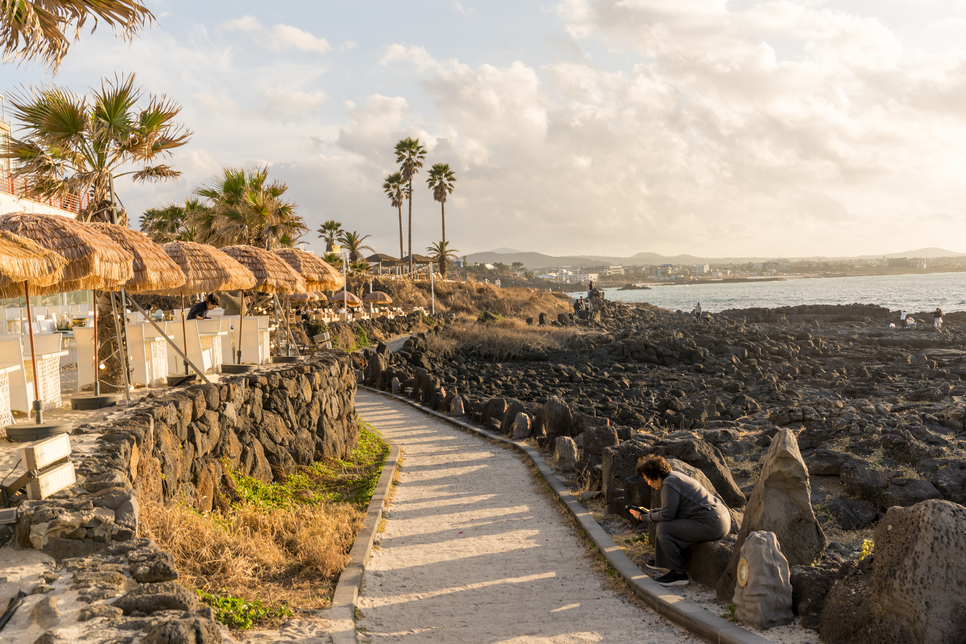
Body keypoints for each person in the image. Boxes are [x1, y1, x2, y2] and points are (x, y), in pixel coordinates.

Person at [629, 455, 731, 587]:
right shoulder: (673, 477)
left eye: (647, 479)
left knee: (664, 528)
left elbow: (667, 515)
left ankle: (678, 573)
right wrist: (650, 512)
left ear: (655, 476)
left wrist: (642, 517)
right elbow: (672, 508)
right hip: (718, 518)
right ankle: (664, 561)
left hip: (713, 524)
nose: (648, 483)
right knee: (664, 524)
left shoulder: (669, 484)